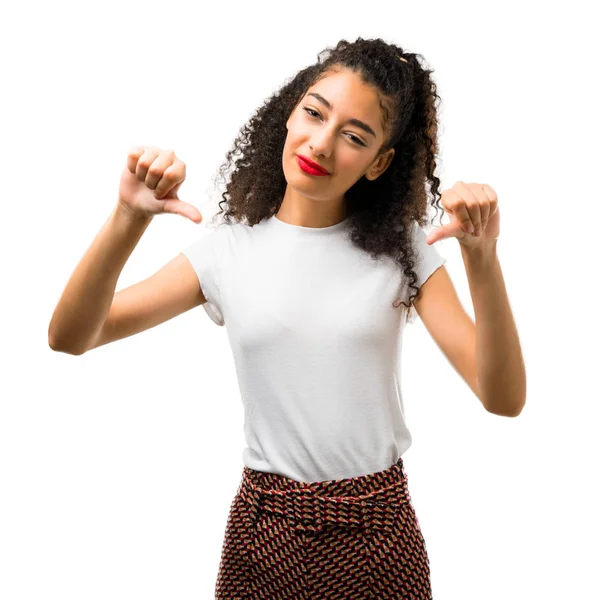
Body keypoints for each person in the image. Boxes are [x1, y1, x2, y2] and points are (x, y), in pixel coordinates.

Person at [48, 37, 526, 599]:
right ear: (291, 110)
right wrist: (128, 217)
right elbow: (72, 336)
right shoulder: (227, 252)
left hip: (377, 529)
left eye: (354, 136)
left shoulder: (405, 253)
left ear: (380, 163)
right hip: (263, 529)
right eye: (315, 113)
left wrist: (482, 259)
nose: (321, 144)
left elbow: (502, 397)